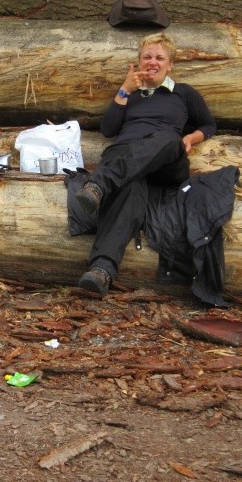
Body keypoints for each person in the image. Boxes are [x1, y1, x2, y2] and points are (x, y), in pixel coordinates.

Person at [75, 32, 216, 295]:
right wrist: (124, 91)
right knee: (129, 187)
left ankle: (98, 185)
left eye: (160, 58)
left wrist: (189, 138)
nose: (153, 62)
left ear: (170, 64)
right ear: (139, 61)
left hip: (167, 160)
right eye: (147, 57)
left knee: (166, 138)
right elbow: (108, 129)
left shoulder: (184, 93)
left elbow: (209, 125)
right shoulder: (130, 94)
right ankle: (101, 271)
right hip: (128, 161)